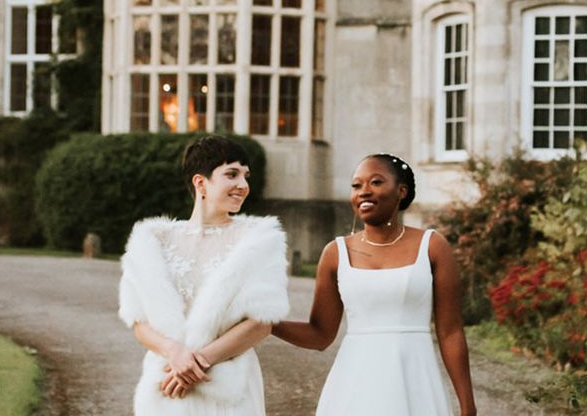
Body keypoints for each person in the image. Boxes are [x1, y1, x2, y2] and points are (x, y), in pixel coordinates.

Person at [272, 153, 477, 416]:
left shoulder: (433, 246)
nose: (364, 192)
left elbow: (451, 333)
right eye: (356, 186)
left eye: (376, 182)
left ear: (401, 191)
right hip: (354, 385)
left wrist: (467, 405)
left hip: (415, 381)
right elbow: (320, 334)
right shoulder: (335, 252)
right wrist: (267, 324)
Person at [118, 135, 289, 415]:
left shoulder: (258, 241)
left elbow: (261, 323)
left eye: (246, 176)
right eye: (231, 174)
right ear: (201, 183)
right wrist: (174, 353)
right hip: (166, 383)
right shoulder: (153, 241)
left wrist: (195, 364)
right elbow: (139, 321)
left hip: (227, 386)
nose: (243, 186)